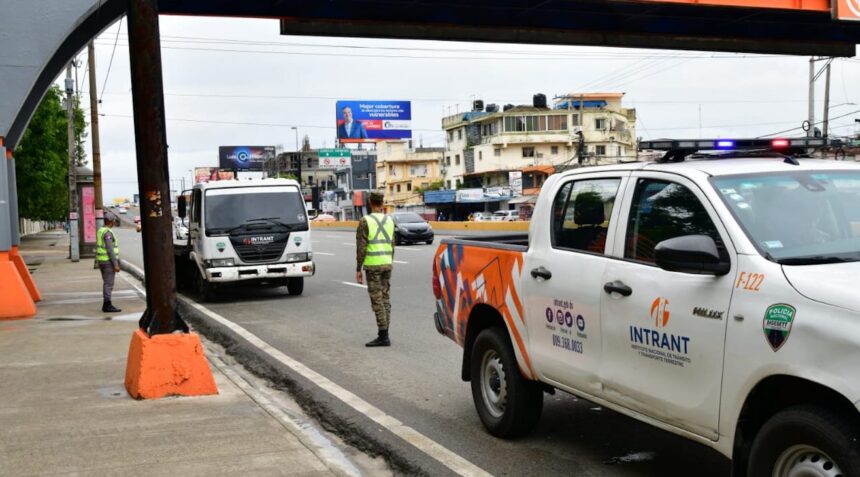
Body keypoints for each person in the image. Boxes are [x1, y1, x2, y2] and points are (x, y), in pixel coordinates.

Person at [356, 192, 394, 347]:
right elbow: (392, 244)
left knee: (377, 300)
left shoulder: (365, 221)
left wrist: (358, 268)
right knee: (385, 299)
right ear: (382, 203)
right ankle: (385, 332)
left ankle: (383, 335)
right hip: (387, 263)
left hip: (373, 266)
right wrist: (390, 261)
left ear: (370, 202)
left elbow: (361, 247)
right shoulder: (390, 220)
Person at [96, 216, 122, 313]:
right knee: (108, 284)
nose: (114, 222)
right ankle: (107, 305)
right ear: (110, 221)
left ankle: (107, 304)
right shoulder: (107, 233)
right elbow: (110, 250)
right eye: (113, 220)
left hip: (102, 261)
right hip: (108, 262)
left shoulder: (100, 230)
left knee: (107, 283)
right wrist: (115, 264)